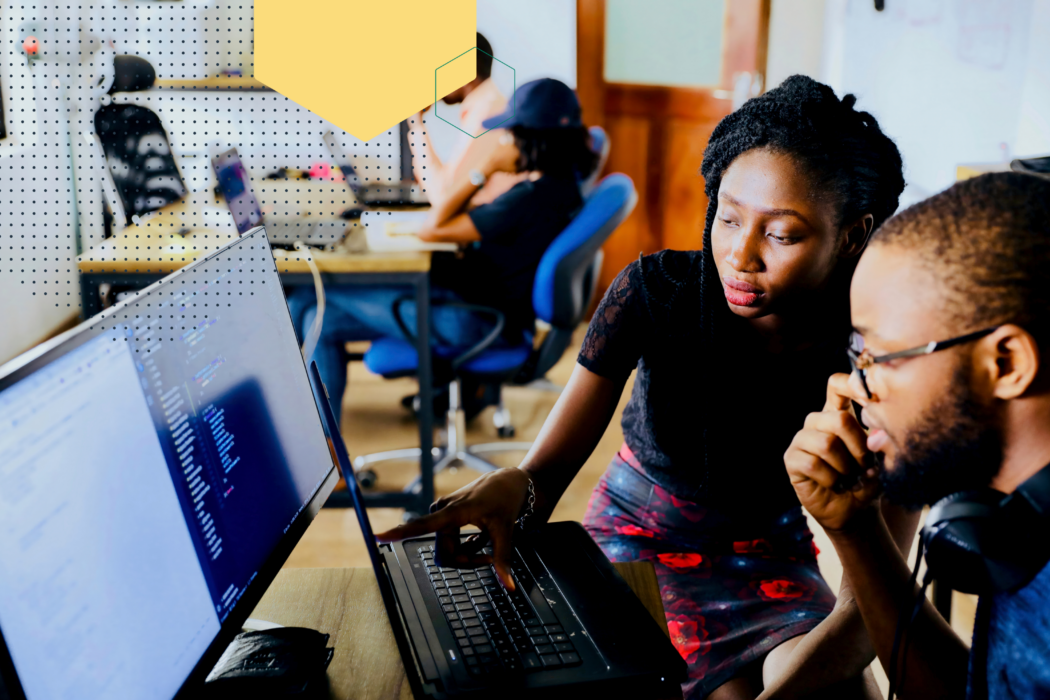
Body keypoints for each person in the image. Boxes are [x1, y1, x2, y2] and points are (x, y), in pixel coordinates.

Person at [377, 76, 910, 699]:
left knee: (842, 692)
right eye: (728, 217)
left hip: (770, 560)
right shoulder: (658, 293)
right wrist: (513, 487)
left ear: (851, 234)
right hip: (637, 541)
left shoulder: (883, 356)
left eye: (781, 234)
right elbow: (543, 475)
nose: (740, 255)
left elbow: (876, 603)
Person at [785, 172, 1050, 699]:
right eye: (855, 353)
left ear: (1006, 363)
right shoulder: (1013, 521)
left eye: (878, 356)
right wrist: (856, 529)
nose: (850, 386)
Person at [289, 78, 597, 423]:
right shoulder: (563, 189)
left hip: (473, 320)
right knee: (311, 309)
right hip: (482, 309)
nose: (503, 140)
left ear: (532, 139)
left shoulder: (527, 200)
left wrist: (483, 170)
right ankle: (326, 446)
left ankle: (325, 448)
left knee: (310, 305)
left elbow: (432, 227)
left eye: (510, 134)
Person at [407, 32, 524, 209]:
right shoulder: (486, 106)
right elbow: (448, 182)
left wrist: (416, 125)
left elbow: (444, 198)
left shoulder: (486, 115)